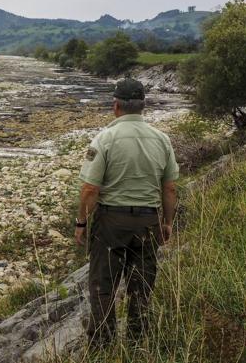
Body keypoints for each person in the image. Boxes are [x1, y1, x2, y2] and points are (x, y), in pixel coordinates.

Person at [74, 78, 179, 347]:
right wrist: (167, 223)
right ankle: (137, 342)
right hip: (148, 221)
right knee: (141, 286)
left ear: (115, 105)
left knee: (102, 287)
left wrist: (82, 222)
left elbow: (89, 189)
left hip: (111, 223)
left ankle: (102, 345)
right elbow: (169, 189)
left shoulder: (105, 138)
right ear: (143, 106)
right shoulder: (161, 139)